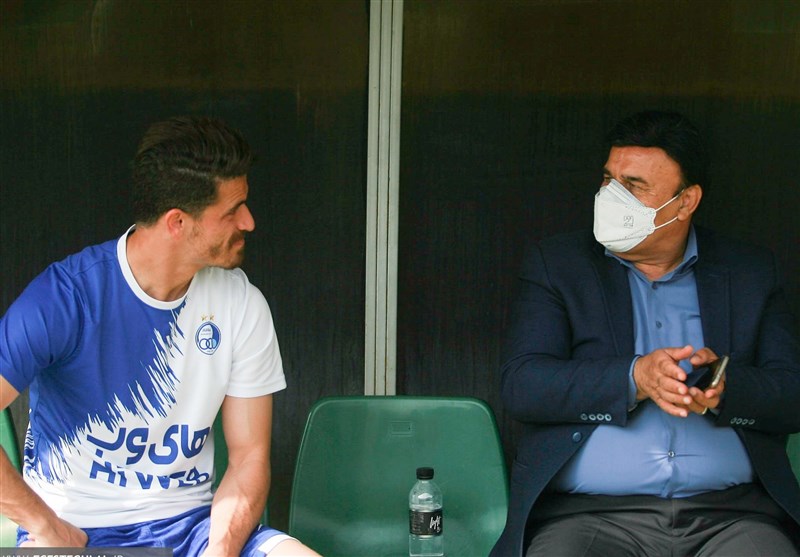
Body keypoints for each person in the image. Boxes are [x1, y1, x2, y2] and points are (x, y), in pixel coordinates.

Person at [0, 116, 320, 557]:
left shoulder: (242, 303)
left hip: (196, 530)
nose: (248, 222)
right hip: (78, 532)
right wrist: (45, 525)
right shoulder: (65, 298)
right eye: (232, 211)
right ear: (177, 222)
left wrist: (220, 551)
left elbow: (248, 458)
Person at [491, 110, 800, 556]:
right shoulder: (559, 266)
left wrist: (726, 390)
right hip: (588, 518)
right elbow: (522, 385)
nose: (611, 196)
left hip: (731, 518)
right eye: (608, 179)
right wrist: (634, 377)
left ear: (685, 201)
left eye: (634, 185)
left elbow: (792, 395)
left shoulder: (749, 272)